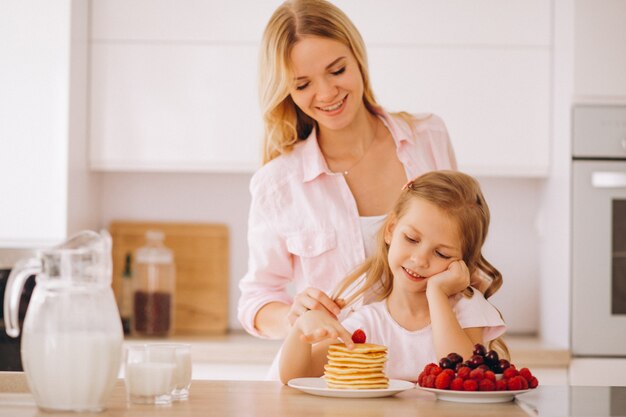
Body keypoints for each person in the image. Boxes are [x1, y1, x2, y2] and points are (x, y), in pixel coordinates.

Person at [238, 0, 457, 344]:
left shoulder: (428, 138)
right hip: (332, 377)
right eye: (302, 84)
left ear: (358, 59)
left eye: (337, 71)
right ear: (287, 92)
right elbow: (256, 300)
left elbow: (465, 249)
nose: (326, 93)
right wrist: (295, 316)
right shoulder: (278, 183)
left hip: (425, 371)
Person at [278, 171, 507, 384]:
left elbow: (464, 376)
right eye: (411, 239)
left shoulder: (466, 308)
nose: (419, 259)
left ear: (462, 264)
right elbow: (297, 376)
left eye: (441, 253)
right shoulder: (369, 322)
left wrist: (437, 294)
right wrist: (300, 329)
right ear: (391, 229)